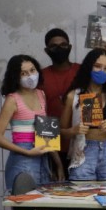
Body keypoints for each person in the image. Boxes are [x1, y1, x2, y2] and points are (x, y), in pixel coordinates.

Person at [0, 54, 61, 210]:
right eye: (23, 73)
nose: (30, 76)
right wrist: (28, 152)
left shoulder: (41, 94)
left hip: (43, 158)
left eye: (32, 70)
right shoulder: (12, 99)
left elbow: (45, 132)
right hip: (22, 160)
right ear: (16, 76)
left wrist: (57, 163)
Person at [61, 48, 106, 181]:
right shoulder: (73, 95)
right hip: (83, 151)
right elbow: (60, 131)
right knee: (83, 197)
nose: (102, 71)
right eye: (97, 66)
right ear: (88, 67)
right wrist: (74, 130)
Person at [38, 28, 80, 169]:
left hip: (81, 144)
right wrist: (52, 153)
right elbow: (42, 115)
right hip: (53, 147)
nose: (59, 48)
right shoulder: (40, 77)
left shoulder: (81, 71)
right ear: (47, 50)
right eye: (54, 46)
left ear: (70, 47)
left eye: (63, 45)